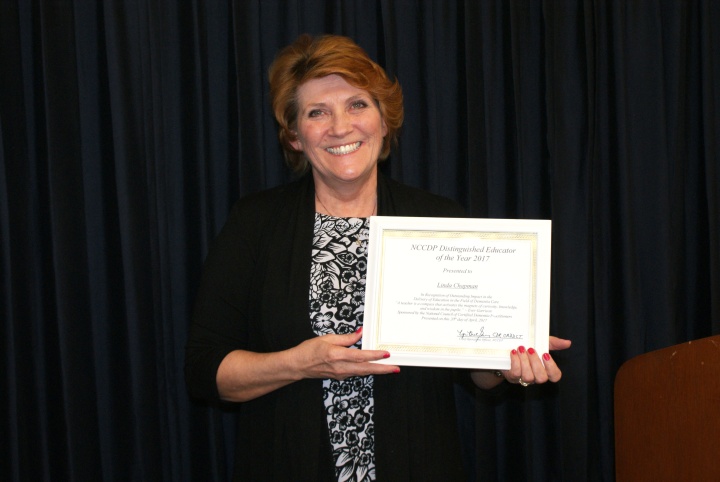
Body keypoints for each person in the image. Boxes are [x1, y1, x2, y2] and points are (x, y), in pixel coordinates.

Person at [184, 33, 571, 481]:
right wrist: (299, 364)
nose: (340, 126)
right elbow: (205, 371)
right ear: (294, 136)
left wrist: (505, 362)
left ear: (384, 121)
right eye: (316, 112)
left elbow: (474, 372)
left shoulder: (439, 218)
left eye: (357, 105)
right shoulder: (255, 223)